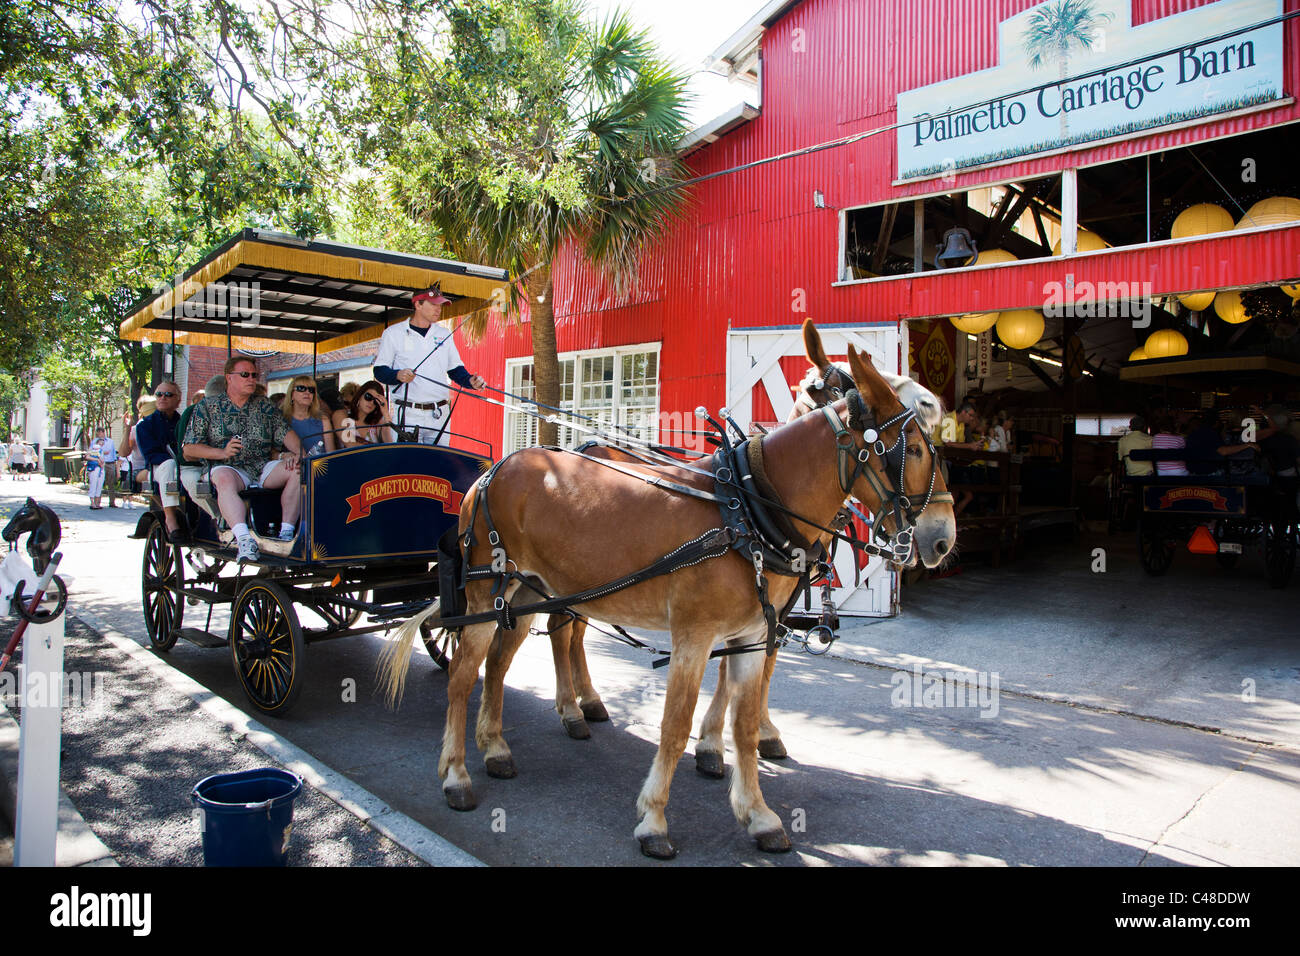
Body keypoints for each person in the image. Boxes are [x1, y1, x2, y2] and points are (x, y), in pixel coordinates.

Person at [181, 356, 304, 562]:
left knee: (297, 469)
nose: (251, 379)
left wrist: (300, 454)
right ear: (229, 378)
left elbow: (286, 434)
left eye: (254, 375)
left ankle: (286, 533)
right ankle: (244, 539)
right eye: (245, 374)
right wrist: (221, 453)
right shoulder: (207, 407)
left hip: (261, 466)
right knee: (224, 479)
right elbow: (189, 449)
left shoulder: (265, 406)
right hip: (227, 467)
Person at [374, 284, 485, 445]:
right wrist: (397, 375)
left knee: (439, 466)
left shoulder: (443, 334)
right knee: (410, 464)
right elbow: (379, 370)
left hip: (439, 413)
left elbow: (455, 369)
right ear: (418, 304)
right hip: (408, 412)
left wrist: (470, 381)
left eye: (440, 305)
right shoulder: (393, 333)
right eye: (433, 304)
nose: (438, 309)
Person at [136, 381, 186, 539]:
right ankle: (170, 518)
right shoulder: (145, 425)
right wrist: (177, 460)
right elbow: (151, 455)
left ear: (178, 400)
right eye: (159, 394)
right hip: (157, 469)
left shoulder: (184, 423)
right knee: (169, 465)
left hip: (184, 467)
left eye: (168, 394)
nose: (163, 398)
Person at [281, 375, 335, 458]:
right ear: (292, 394)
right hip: (291, 468)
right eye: (301, 388)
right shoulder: (281, 419)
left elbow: (331, 454)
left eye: (311, 390)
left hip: (319, 467)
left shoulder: (323, 420)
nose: (307, 392)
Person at [334, 380, 394, 446]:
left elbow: (391, 446)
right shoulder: (341, 415)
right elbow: (349, 444)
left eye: (376, 401)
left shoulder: (378, 423)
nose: (371, 403)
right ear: (359, 396)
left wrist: (385, 413)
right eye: (368, 397)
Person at [87, 427, 116, 509]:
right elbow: (91, 453)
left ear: (103, 433)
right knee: (96, 483)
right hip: (97, 465)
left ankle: (112, 502)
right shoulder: (94, 442)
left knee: (110, 483)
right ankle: (96, 503)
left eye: (100, 432)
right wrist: (101, 454)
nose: (98, 434)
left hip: (109, 463)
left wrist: (114, 462)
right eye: (97, 433)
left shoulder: (110, 441)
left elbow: (112, 452)